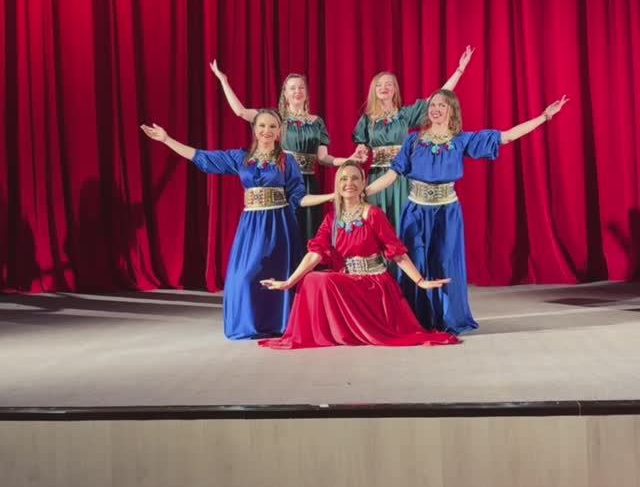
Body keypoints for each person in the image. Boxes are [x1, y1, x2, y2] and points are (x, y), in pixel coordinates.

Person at [366, 90, 570, 335]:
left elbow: (506, 137)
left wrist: (544, 117)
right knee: (414, 262)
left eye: (442, 105)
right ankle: (414, 319)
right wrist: (363, 193)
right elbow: (391, 175)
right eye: (433, 105)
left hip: (446, 213)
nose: (436, 109)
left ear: (452, 110)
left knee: (444, 263)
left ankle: (446, 319)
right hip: (415, 212)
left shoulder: (461, 140)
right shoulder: (413, 141)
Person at [140, 110, 332, 340]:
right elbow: (203, 157)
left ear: (279, 131)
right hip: (251, 225)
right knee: (244, 276)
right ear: (254, 129)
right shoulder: (241, 158)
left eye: (272, 126)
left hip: (279, 225)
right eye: (262, 125)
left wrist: (331, 196)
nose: (267, 131)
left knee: (278, 273)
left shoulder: (287, 160)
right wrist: (166, 139)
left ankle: (281, 324)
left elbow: (299, 197)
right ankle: (250, 324)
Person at [259, 161, 460, 349]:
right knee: (310, 279)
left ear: (364, 183)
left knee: (322, 280)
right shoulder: (331, 218)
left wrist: (420, 281)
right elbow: (314, 255)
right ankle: (328, 333)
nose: (349, 183)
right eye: (344, 179)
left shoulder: (373, 214)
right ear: (337, 185)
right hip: (347, 280)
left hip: (372, 284)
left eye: (355, 178)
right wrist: (289, 282)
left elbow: (397, 253)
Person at [211, 61, 357, 239]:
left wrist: (347, 160)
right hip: (282, 179)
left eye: (301, 87)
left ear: (306, 93)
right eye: (292, 88)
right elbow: (240, 112)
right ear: (285, 94)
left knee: (309, 231)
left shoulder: (316, 121)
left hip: (309, 182)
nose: (297, 91)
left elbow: (323, 157)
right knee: (286, 232)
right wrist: (224, 81)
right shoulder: (275, 118)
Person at [352, 46, 475, 230]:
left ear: (395, 90)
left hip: (402, 177)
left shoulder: (405, 115)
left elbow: (438, 97)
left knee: (403, 224)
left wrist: (460, 70)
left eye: (389, 84)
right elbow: (361, 148)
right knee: (377, 224)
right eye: (379, 85)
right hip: (377, 176)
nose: (384, 87)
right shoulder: (366, 120)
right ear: (373, 90)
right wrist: (360, 153)